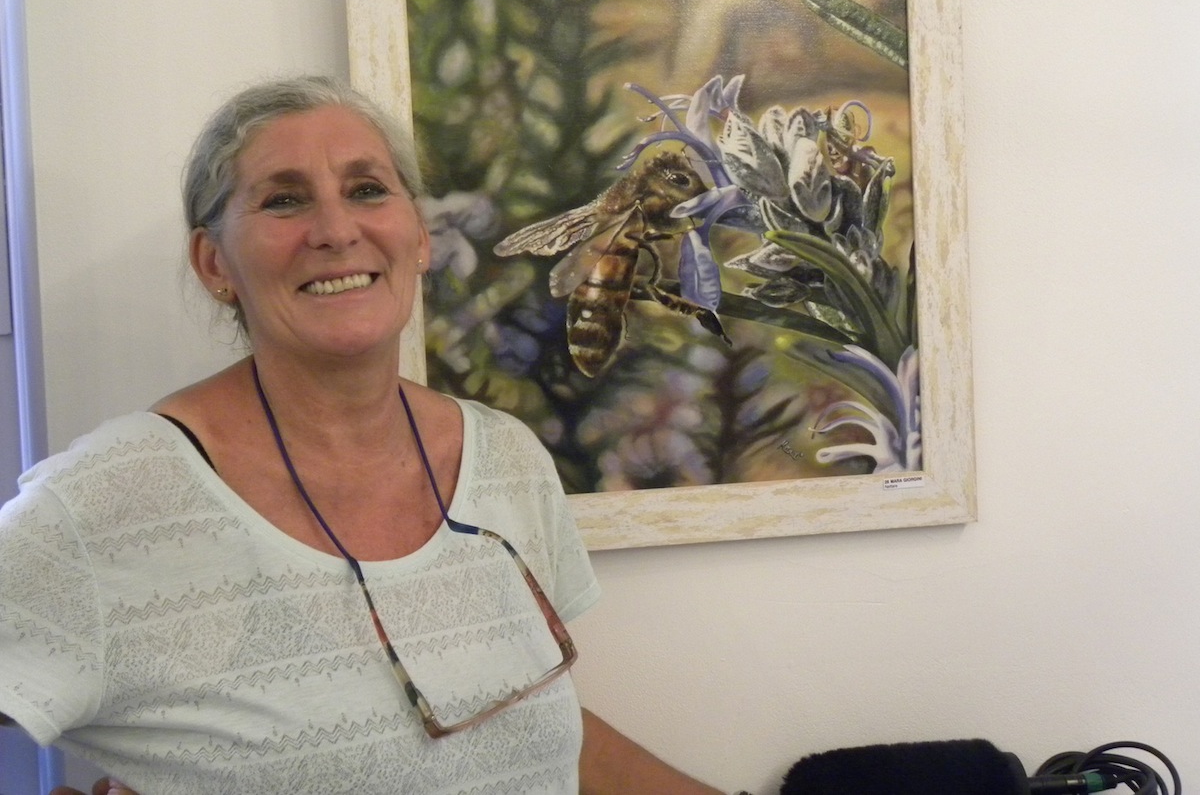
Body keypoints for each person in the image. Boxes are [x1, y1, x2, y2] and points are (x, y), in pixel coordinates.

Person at [0, 76, 732, 794]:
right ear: (214, 263)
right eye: (284, 199)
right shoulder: (111, 502)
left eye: (367, 189)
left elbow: (524, 729)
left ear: (419, 237)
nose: (337, 230)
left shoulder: (506, 458)